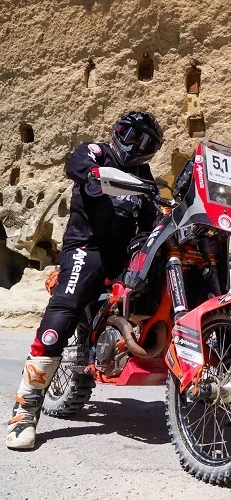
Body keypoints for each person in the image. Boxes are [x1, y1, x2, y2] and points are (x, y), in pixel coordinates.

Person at [6, 111, 164, 449]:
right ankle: (24, 412)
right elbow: (76, 164)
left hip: (123, 253)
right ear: (117, 131)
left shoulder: (144, 176)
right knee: (63, 313)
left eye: (146, 143)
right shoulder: (97, 152)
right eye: (130, 134)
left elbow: (152, 216)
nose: (135, 145)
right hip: (86, 248)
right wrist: (93, 174)